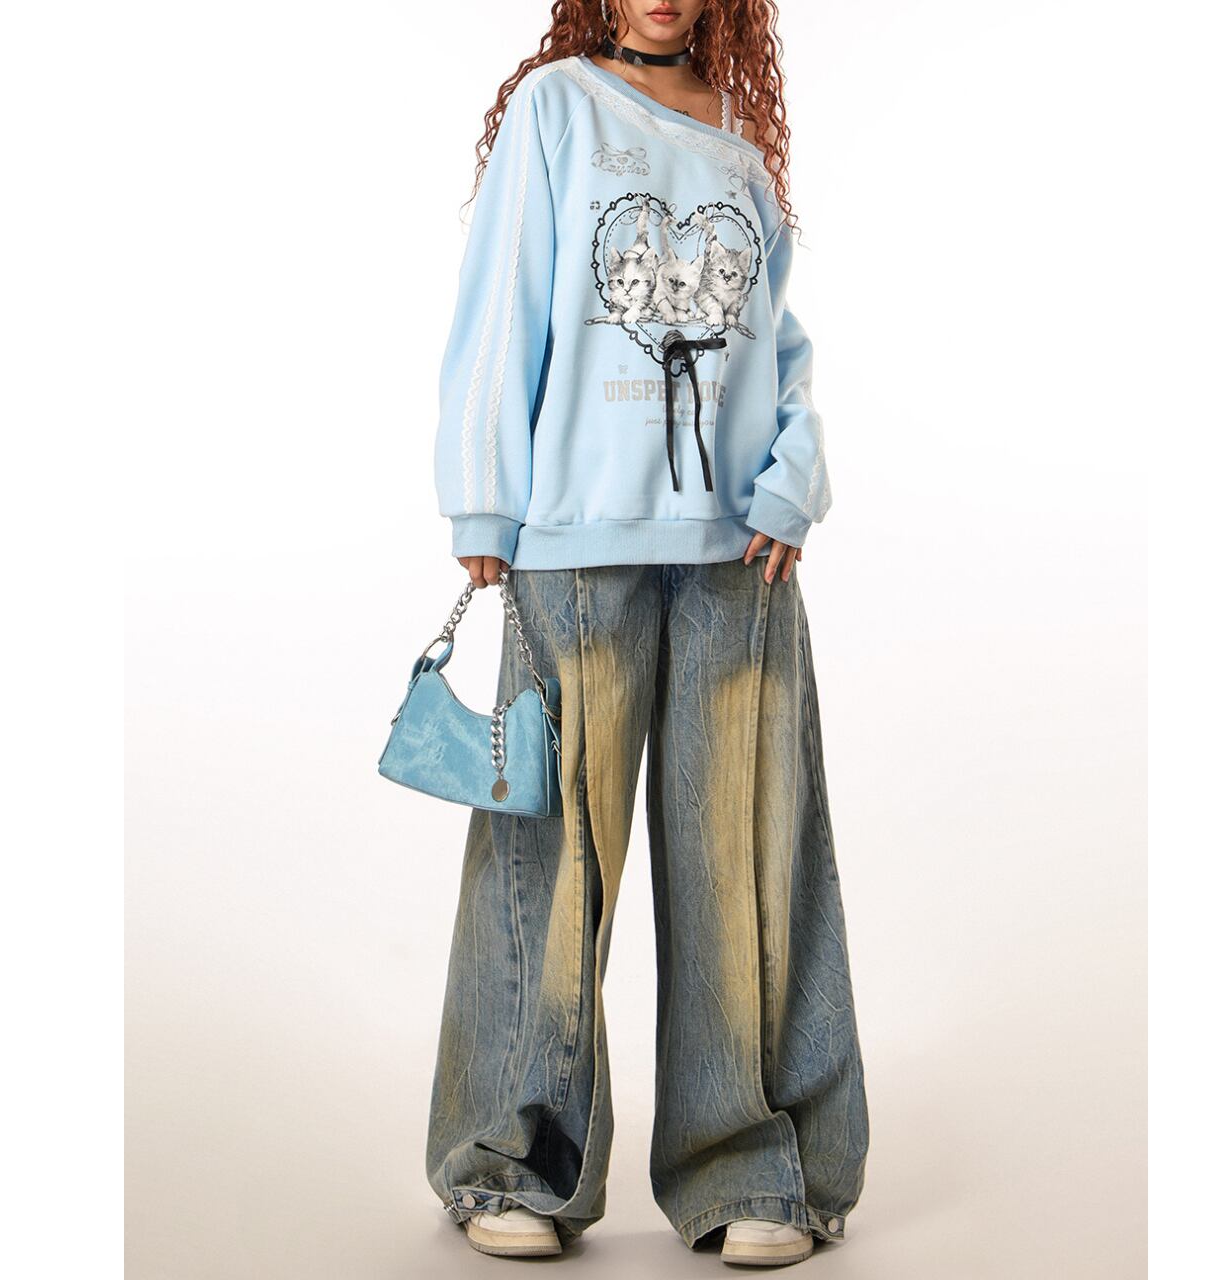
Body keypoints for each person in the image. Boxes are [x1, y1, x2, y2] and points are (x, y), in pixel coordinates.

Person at [426, 1, 868, 1265]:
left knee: (743, 859)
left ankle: (756, 1165)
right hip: (575, 547)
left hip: (738, 557)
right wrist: (482, 496)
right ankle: (513, 1156)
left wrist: (794, 476)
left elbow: (776, 340)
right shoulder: (553, 108)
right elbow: (503, 299)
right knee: (550, 856)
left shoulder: (737, 131)